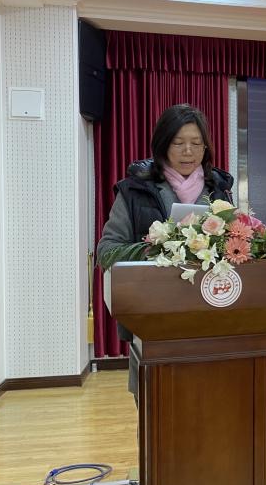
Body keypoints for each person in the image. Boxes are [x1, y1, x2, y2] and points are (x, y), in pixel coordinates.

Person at [97, 103, 234, 403]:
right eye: (178, 142)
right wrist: (158, 248)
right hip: (154, 324)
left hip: (211, 322)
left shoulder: (219, 190)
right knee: (158, 414)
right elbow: (106, 251)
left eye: (196, 143)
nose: (188, 151)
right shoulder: (135, 191)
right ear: (163, 145)